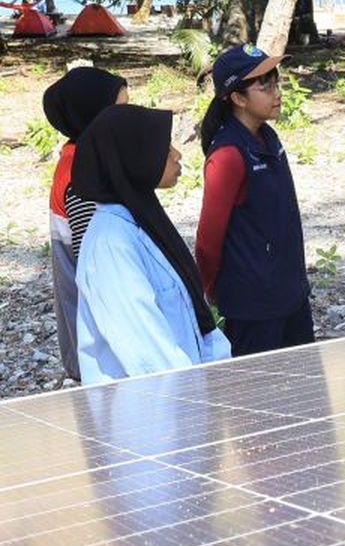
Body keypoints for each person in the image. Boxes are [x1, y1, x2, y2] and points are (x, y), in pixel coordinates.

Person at [72, 105, 231, 383]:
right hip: (153, 410)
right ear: (134, 155)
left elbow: (196, 317)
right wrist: (200, 399)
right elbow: (147, 353)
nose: (177, 155)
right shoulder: (111, 243)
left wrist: (218, 376)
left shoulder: (145, 221)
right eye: (164, 147)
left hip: (186, 400)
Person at [196, 44, 313, 356]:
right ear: (237, 98)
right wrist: (209, 291)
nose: (277, 93)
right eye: (265, 86)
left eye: (276, 83)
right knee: (262, 395)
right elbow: (208, 241)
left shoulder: (268, 138)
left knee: (307, 391)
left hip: (291, 294)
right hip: (255, 307)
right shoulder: (228, 155)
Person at [41, 66, 129, 381]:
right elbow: (101, 266)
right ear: (93, 117)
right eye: (120, 111)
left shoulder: (81, 157)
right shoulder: (83, 177)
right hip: (100, 343)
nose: (129, 120)